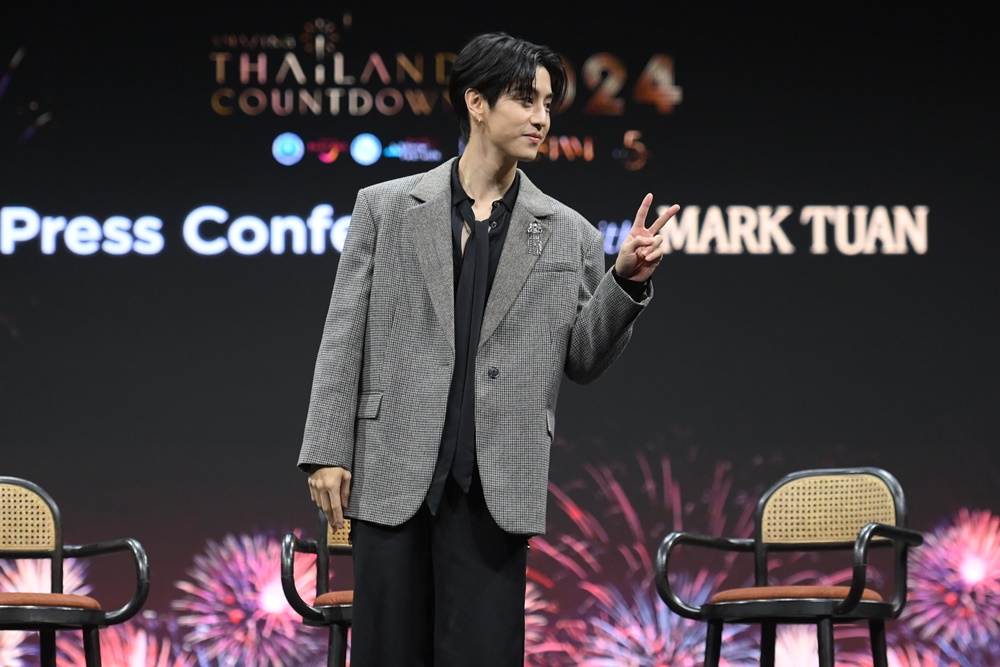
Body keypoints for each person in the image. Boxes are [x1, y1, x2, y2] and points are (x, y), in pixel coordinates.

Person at [298, 30, 679, 666]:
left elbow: (583, 359)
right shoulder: (386, 208)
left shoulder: (569, 233)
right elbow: (344, 333)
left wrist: (625, 282)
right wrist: (326, 452)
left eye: (548, 104)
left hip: (495, 485)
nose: (541, 118)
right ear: (476, 103)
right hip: (393, 470)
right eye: (526, 100)